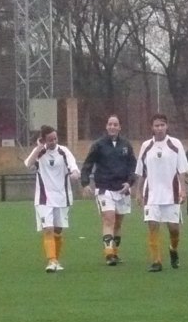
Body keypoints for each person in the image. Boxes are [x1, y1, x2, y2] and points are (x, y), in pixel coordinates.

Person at [135, 113, 188, 272]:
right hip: (151, 194)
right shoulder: (146, 146)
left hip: (172, 194)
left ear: (167, 126)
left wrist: (183, 189)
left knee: (174, 229)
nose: (159, 128)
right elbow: (141, 172)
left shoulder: (175, 144)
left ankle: (173, 249)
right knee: (153, 226)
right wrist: (138, 192)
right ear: (152, 127)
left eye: (162, 125)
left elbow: (181, 169)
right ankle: (156, 261)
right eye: (156, 125)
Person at [80, 115, 137, 266]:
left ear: (119, 127)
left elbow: (133, 166)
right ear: (106, 126)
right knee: (109, 219)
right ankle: (108, 253)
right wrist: (85, 182)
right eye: (110, 124)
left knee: (118, 223)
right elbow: (88, 164)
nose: (112, 126)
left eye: (115, 124)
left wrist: (129, 183)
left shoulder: (126, 145)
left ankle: (115, 252)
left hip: (122, 189)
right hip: (104, 188)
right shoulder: (98, 145)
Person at [24, 125, 80, 272]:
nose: (53, 141)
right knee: (48, 229)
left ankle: (56, 260)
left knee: (58, 230)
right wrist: (38, 147)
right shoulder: (39, 152)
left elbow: (74, 167)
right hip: (44, 198)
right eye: (50, 139)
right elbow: (28, 164)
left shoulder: (63, 151)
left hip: (62, 197)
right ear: (43, 140)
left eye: (55, 138)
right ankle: (52, 260)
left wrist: (75, 174)